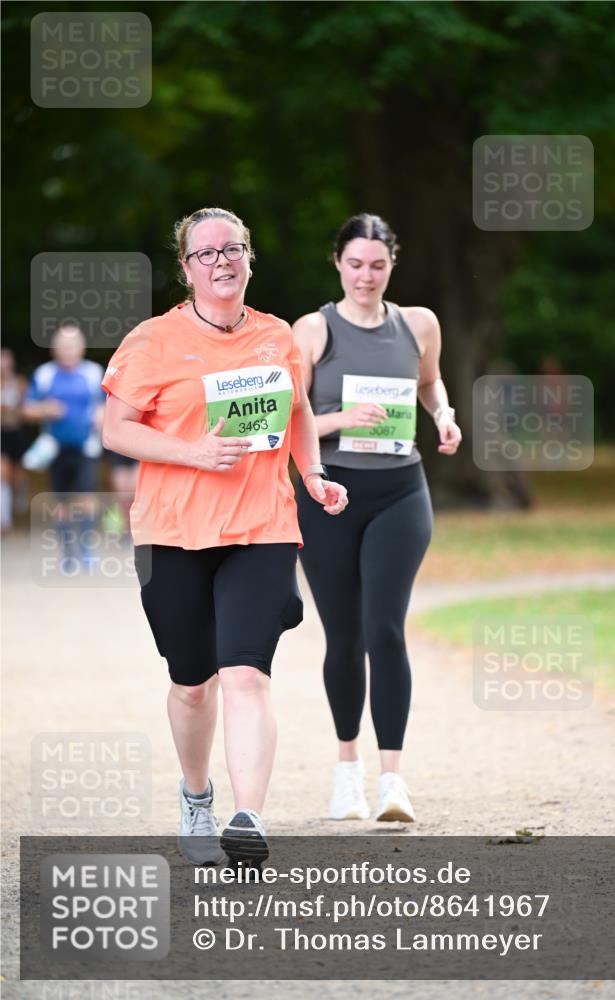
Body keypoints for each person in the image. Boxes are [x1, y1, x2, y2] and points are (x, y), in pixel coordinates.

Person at [102, 207, 348, 866]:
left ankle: (247, 817)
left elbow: (298, 411)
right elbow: (115, 429)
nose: (221, 261)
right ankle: (196, 796)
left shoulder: (277, 336)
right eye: (206, 253)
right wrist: (192, 453)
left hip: (261, 527)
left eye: (232, 249)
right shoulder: (152, 340)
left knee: (245, 672)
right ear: (186, 268)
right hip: (174, 531)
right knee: (193, 683)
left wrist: (313, 474)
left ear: (248, 257)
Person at [293, 213, 462, 824]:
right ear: (338, 263)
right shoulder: (313, 330)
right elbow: (289, 419)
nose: (366, 276)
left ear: (393, 264)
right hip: (330, 495)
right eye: (356, 264)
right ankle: (348, 773)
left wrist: (443, 414)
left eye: (378, 265)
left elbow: (430, 382)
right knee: (345, 637)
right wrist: (343, 418)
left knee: (386, 629)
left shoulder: (419, 323)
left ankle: (393, 780)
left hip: (400, 490)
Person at [22, 325, 105, 568]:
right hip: (55, 447)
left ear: (82, 348)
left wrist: (101, 415)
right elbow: (27, 409)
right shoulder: (44, 374)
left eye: (72, 346)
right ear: (55, 349)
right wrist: (45, 409)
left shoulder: (94, 373)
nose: (68, 351)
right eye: (63, 346)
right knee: (62, 503)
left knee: (86, 498)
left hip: (86, 447)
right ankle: (68, 554)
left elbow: (107, 404)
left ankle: (86, 549)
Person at [0, 348, 28, 532]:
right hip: (1, 432)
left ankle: (18, 495)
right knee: (3, 472)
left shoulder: (20, 382)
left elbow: (27, 406)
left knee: (16, 474)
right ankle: (4, 517)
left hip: (16, 432)